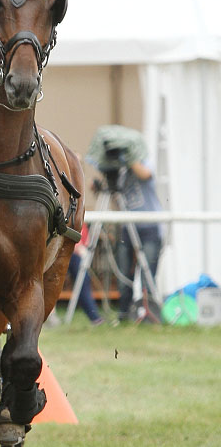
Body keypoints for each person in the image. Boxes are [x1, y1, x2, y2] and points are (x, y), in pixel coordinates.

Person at [86, 124, 163, 322]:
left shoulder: (144, 161)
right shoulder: (118, 170)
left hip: (150, 226)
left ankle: (148, 314)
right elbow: (115, 198)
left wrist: (127, 157)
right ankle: (124, 313)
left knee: (148, 274)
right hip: (128, 228)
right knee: (124, 271)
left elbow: (145, 174)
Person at [66, 223, 104, 325]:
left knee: (83, 279)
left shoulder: (80, 216)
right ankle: (94, 317)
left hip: (75, 254)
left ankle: (94, 316)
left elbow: (85, 238)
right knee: (82, 279)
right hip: (64, 251)